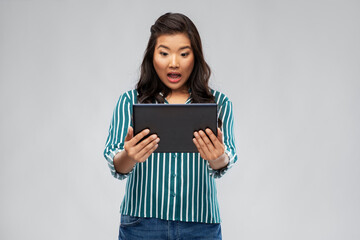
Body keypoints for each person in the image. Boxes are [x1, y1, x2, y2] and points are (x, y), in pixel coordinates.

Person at [104, 12, 238, 240]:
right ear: (152, 56)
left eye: (183, 54)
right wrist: (130, 156)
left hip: (201, 224)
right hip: (142, 223)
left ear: (195, 56)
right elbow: (116, 164)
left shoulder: (219, 103)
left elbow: (227, 158)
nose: (174, 63)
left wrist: (217, 158)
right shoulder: (129, 101)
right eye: (164, 53)